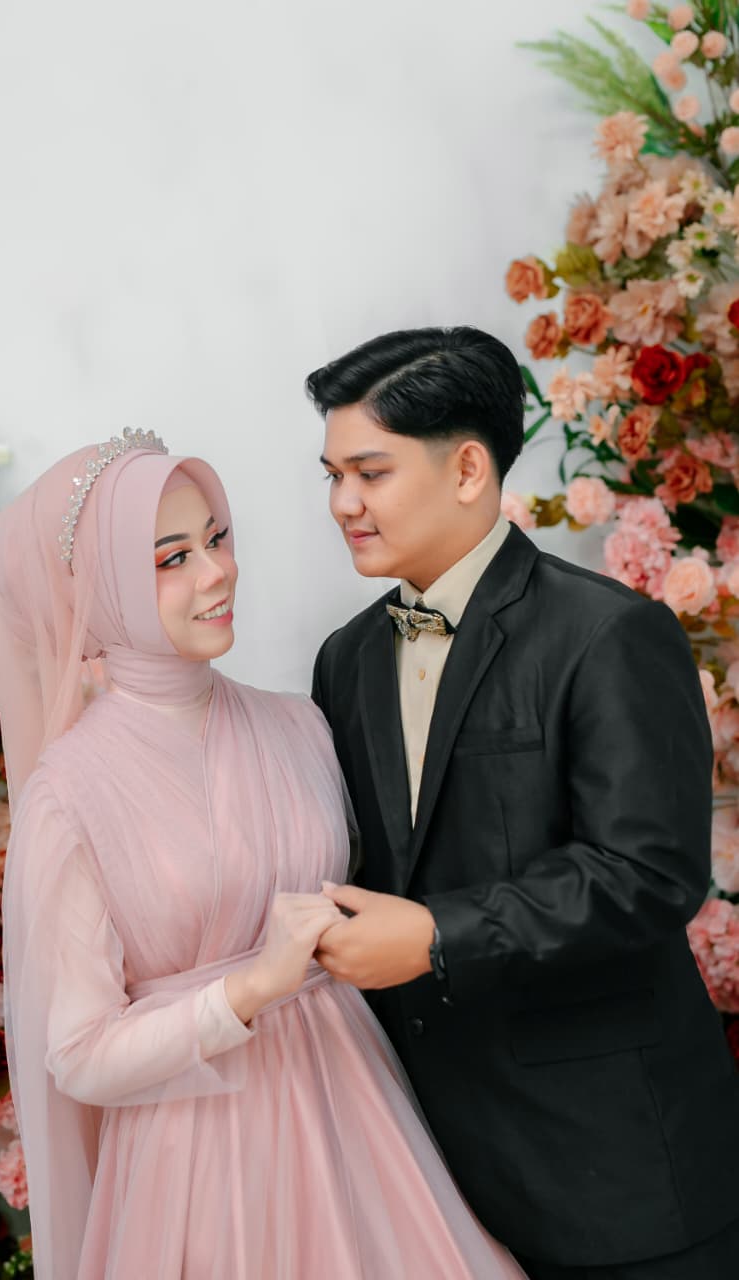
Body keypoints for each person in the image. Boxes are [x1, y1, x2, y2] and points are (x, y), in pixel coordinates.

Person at [0, 428, 525, 1279]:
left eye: (217, 538)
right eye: (171, 558)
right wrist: (251, 987)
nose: (218, 572)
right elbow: (79, 1056)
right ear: (104, 591)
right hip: (195, 1159)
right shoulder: (68, 794)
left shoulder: (298, 724)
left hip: (354, 1119)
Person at [306, 326, 739, 1280]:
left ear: (468, 469)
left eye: (369, 473)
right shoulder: (346, 658)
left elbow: (649, 873)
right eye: (331, 476)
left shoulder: (609, 633)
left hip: (615, 1172)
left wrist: (436, 936)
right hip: (429, 1177)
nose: (342, 503)